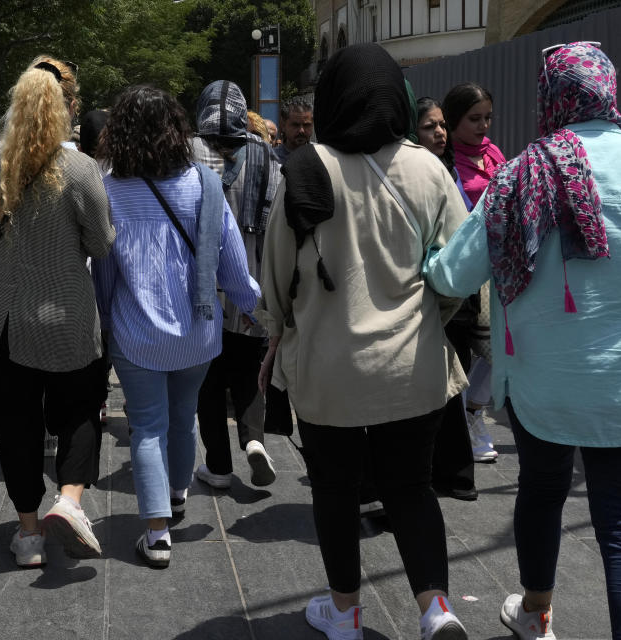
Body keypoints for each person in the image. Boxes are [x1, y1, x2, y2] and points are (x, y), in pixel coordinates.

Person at [424, 42, 621, 639]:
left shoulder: (517, 175)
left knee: (541, 490)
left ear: (549, 95)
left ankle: (536, 612)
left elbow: (454, 274)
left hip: (540, 389)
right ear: (607, 91)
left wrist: (422, 255)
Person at [257, 44, 469, 640]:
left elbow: (274, 278)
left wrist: (279, 327)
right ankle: (435, 609)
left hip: (330, 370)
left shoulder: (305, 167)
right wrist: (430, 313)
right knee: (412, 487)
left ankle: (344, 612)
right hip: (414, 366)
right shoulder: (428, 168)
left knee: (334, 489)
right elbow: (458, 268)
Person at [0, 56, 114, 568]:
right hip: (67, 314)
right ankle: (68, 501)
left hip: (2, 322)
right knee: (79, 412)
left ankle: (27, 536)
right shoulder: (82, 169)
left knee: (14, 427)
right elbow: (102, 242)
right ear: (65, 110)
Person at [93, 85, 260, 569]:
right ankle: (178, 493)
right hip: (197, 332)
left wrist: (104, 320)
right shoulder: (204, 185)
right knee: (184, 416)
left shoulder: (108, 189)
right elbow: (231, 263)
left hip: (134, 331)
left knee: (147, 426)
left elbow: (104, 270)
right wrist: (253, 307)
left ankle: (157, 531)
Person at [191, 81, 280, 491]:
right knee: (249, 373)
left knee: (209, 381)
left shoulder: (190, 152)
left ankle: (219, 466)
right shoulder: (267, 154)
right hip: (254, 285)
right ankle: (254, 441)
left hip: (204, 289)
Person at [416, 97, 497, 476]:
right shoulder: (416, 171)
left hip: (467, 285)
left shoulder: (480, 161)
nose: (440, 133)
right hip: (431, 287)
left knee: (470, 364)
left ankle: (456, 453)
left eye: (442, 125)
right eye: (430, 126)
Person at [441, 82, 505, 209]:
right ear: (454, 119)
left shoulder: (492, 151)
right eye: (474, 119)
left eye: (487, 117)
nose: (484, 125)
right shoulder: (444, 160)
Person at [273, 96, 313, 164]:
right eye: (295, 125)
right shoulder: (272, 159)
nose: (301, 130)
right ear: (283, 126)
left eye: (306, 125)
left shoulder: (321, 156)